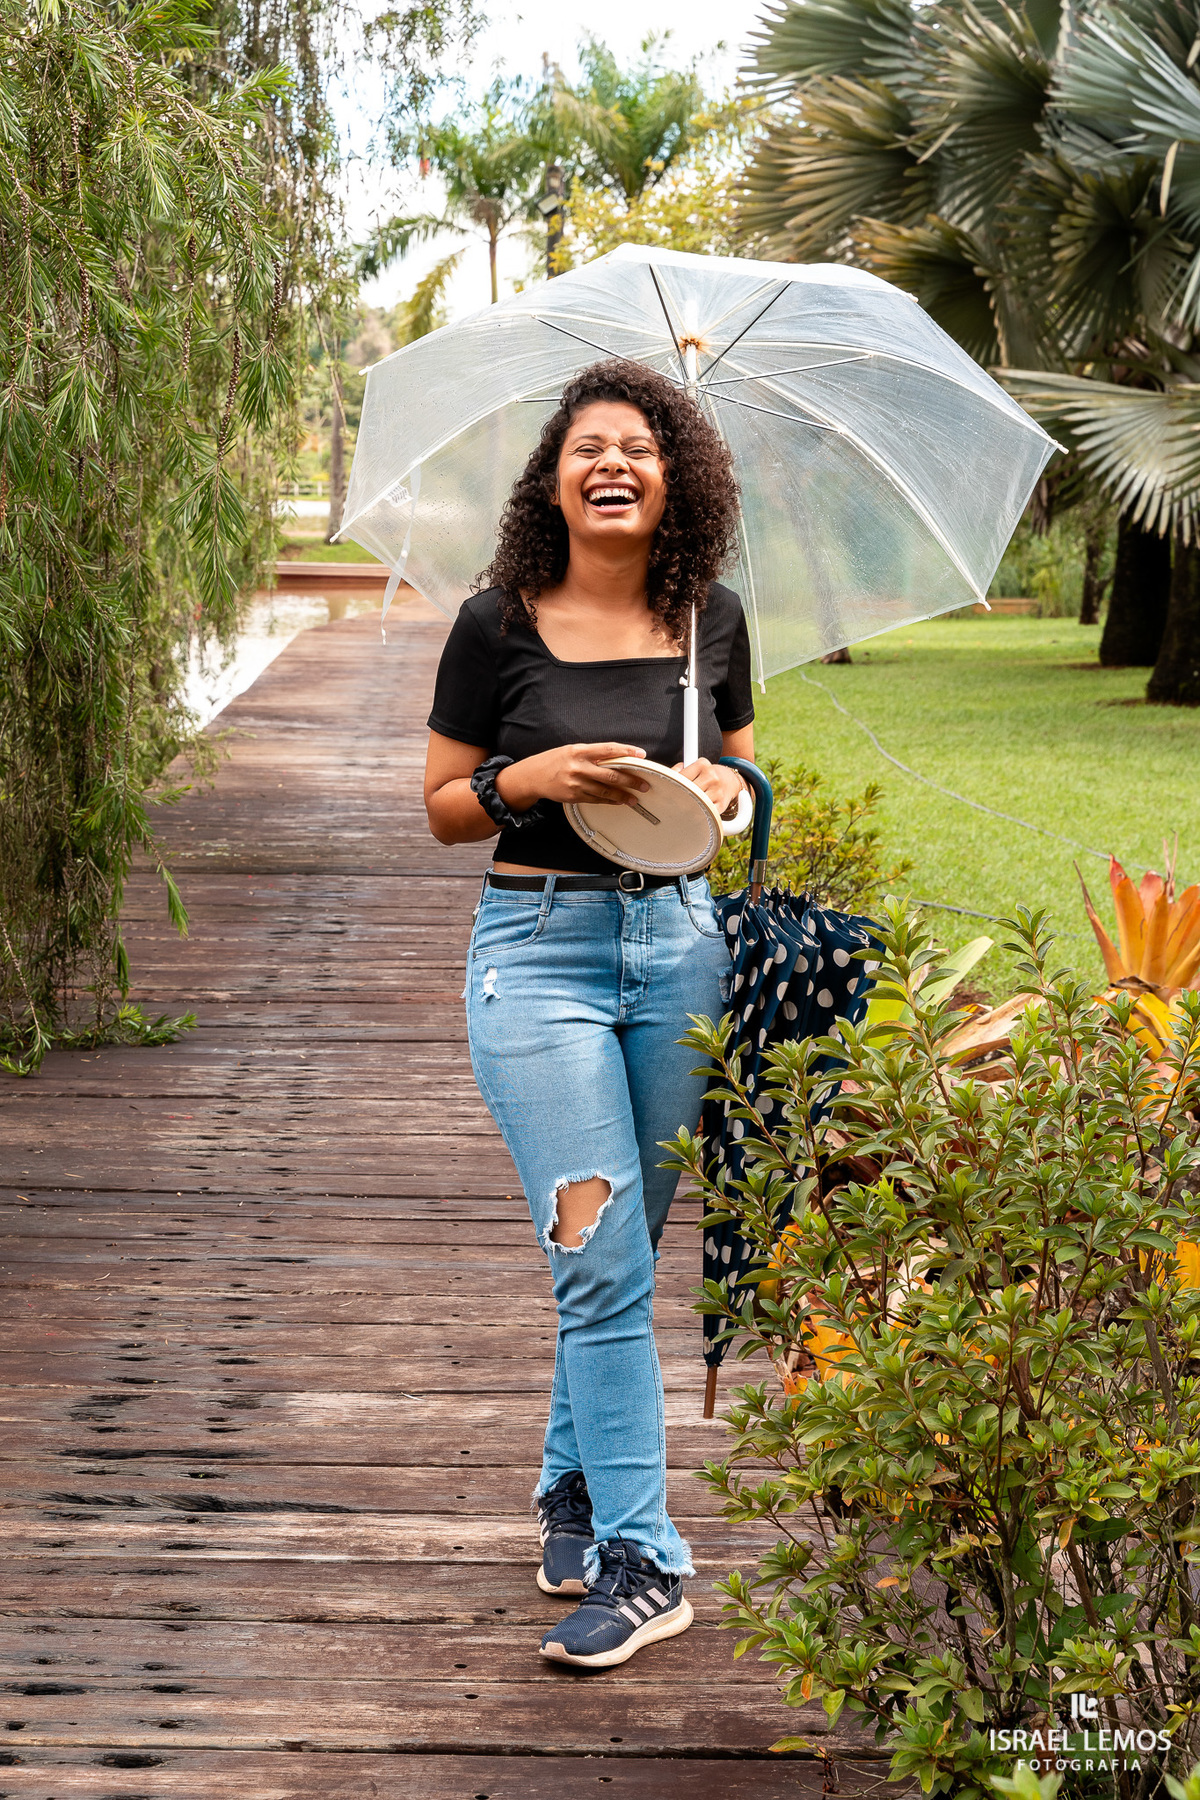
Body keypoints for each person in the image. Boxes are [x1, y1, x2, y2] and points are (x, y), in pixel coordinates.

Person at [423, 359, 753, 1669]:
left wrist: (720, 797)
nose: (612, 463)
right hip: (538, 947)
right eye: (588, 446)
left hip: (677, 948)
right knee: (599, 1252)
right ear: (554, 477)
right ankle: (646, 1558)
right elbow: (444, 804)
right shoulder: (493, 624)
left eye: (640, 446)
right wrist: (531, 774)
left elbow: (734, 773)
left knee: (621, 1252)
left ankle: (569, 1483)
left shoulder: (708, 618)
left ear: (676, 479)